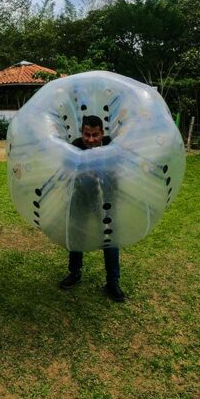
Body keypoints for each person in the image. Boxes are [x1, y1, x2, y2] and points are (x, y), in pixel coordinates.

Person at [59, 115, 126, 302]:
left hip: (106, 199)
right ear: (82, 133)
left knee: (110, 238)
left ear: (102, 133)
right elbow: (67, 170)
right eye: (86, 134)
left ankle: (113, 282)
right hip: (80, 198)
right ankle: (75, 272)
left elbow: (118, 170)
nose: (90, 140)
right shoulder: (75, 145)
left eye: (95, 135)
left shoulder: (111, 146)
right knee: (76, 234)